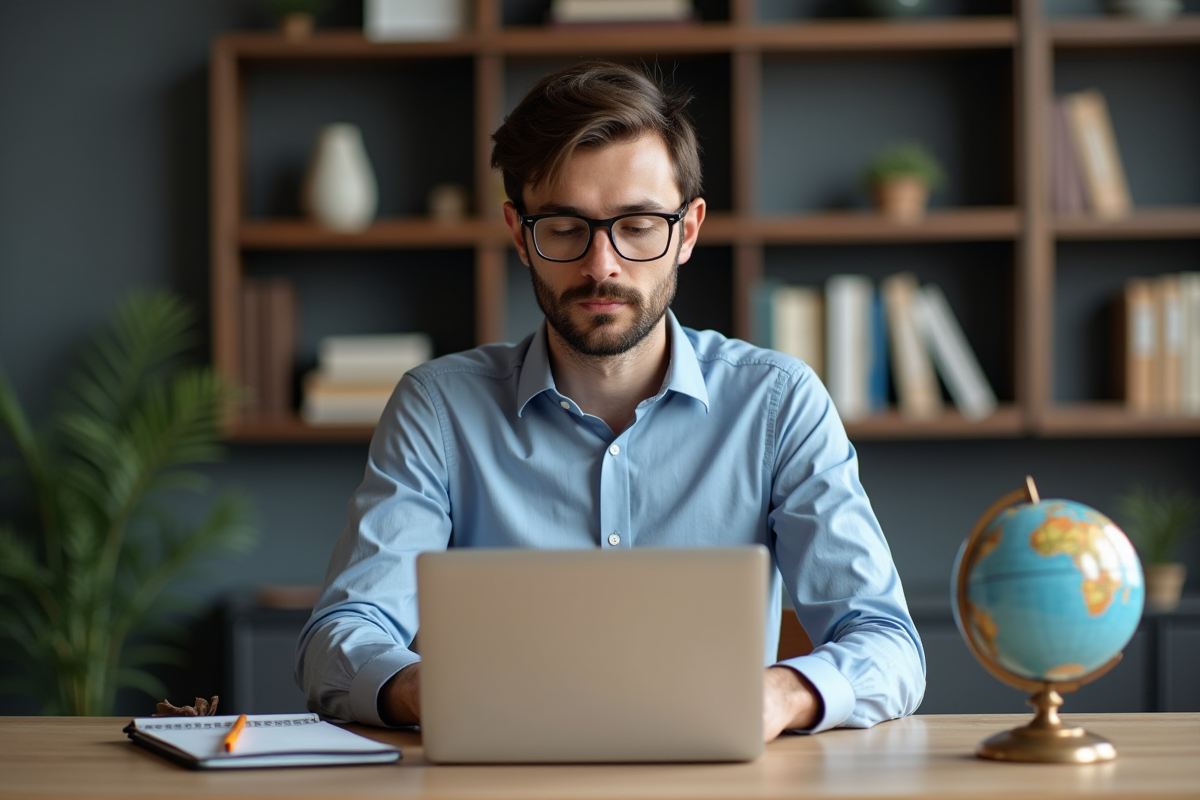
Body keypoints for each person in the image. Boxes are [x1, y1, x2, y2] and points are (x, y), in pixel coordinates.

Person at [296, 61, 924, 741]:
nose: (602, 265)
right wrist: (430, 690)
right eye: (565, 228)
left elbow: (887, 644)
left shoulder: (779, 404)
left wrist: (781, 695)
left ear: (687, 232)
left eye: (639, 224)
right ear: (520, 235)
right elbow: (338, 640)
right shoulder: (437, 410)